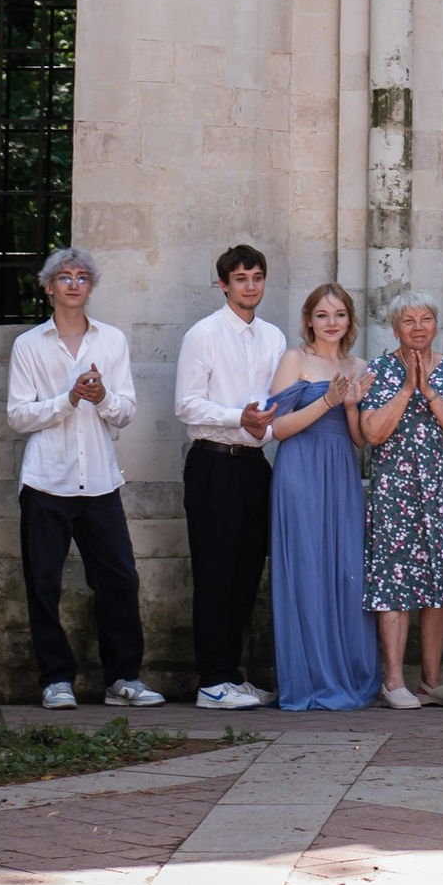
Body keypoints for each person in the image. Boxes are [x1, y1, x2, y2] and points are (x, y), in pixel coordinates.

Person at [6, 245, 159, 709]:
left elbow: (126, 411)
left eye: (82, 277)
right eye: (64, 277)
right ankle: (56, 679)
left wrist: (101, 395)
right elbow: (17, 416)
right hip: (45, 481)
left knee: (119, 580)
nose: (74, 284)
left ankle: (123, 679)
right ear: (48, 287)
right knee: (44, 582)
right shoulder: (28, 345)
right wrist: (68, 399)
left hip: (99, 481)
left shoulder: (110, 341)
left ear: (90, 287)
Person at [257, 283, 380, 712]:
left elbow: (360, 440)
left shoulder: (359, 365)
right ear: (309, 318)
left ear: (350, 320)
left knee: (345, 568)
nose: (332, 323)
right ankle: (308, 677)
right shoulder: (295, 359)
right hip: (299, 470)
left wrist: (347, 406)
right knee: (307, 567)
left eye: (340, 314)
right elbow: (277, 429)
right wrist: (326, 400)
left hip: (341, 470)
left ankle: (347, 670)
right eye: (323, 315)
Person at [174, 243, 284, 711]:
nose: (250, 286)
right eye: (241, 278)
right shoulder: (203, 334)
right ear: (223, 284)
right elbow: (186, 405)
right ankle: (210, 681)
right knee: (215, 572)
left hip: (255, 466)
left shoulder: (274, 338)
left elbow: (279, 405)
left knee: (245, 574)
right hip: (213, 462)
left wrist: (265, 422)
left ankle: (232, 676)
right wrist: (239, 416)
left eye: (257, 277)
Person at [355, 296, 443, 710]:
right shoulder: (378, 370)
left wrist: (430, 392)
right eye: (408, 321)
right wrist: (406, 390)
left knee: (438, 584)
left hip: (440, 490)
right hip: (394, 491)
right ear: (394, 329)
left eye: (426, 319)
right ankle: (394, 679)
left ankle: (431, 682)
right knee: (394, 585)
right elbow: (372, 433)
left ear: (436, 325)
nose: (418, 327)